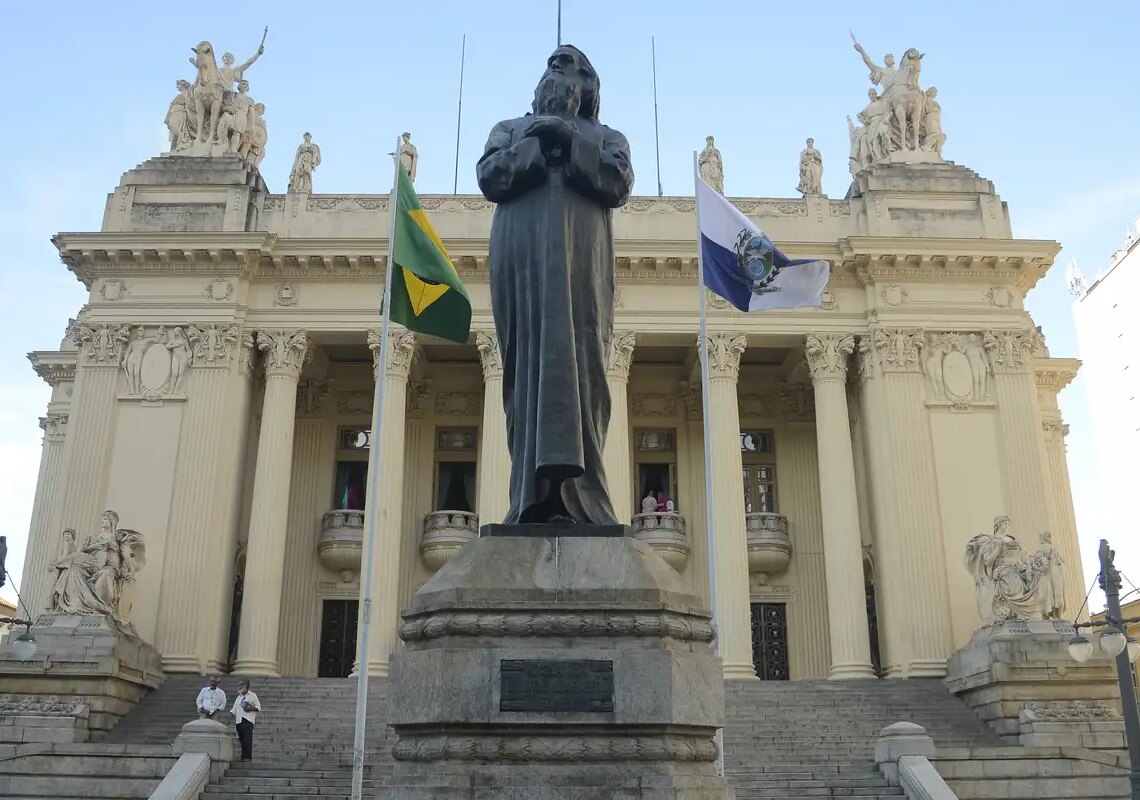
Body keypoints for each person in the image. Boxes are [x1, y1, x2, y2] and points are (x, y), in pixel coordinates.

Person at [476, 45, 634, 524]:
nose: (557, 74)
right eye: (552, 66)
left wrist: (569, 139)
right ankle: (530, 497)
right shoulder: (510, 129)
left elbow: (618, 181)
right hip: (522, 265)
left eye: (570, 68)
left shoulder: (606, 137)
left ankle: (584, 498)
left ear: (588, 88)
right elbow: (490, 175)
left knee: (584, 369)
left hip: (581, 265)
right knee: (525, 370)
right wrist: (539, 143)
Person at [231, 679, 261, 761]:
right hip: (238, 721)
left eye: (241, 685)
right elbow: (234, 709)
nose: (239, 687)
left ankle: (247, 757)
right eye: (239, 685)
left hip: (248, 720)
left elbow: (258, 707)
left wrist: (250, 708)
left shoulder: (252, 695)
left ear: (247, 686)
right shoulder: (239, 697)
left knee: (247, 739)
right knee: (241, 739)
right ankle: (243, 756)